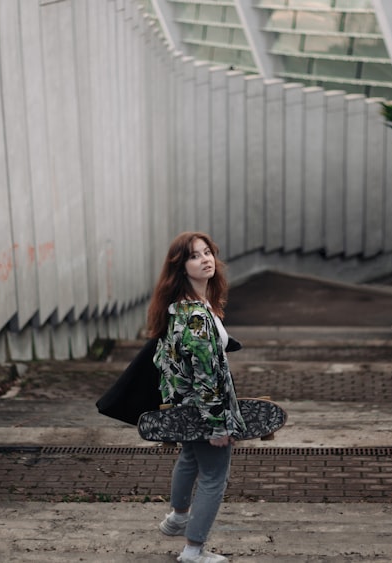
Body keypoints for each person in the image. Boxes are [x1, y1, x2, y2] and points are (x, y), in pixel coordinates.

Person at [146, 231, 245, 563]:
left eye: (208, 252)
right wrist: (218, 425)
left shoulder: (180, 308)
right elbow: (205, 375)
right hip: (206, 409)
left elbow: (167, 361)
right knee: (215, 475)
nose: (205, 259)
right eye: (194, 255)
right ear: (180, 266)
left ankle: (177, 518)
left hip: (186, 408)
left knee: (189, 458)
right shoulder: (198, 317)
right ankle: (193, 550)